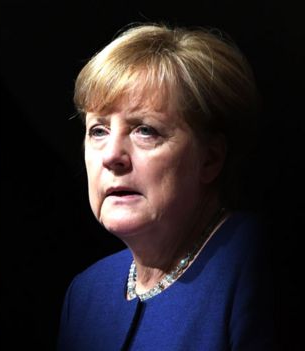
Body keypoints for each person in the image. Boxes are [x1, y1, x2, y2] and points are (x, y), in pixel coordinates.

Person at [57, 24, 274, 350]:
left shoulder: (258, 263)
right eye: (98, 131)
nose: (112, 156)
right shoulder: (87, 293)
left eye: (145, 130)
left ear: (210, 159)